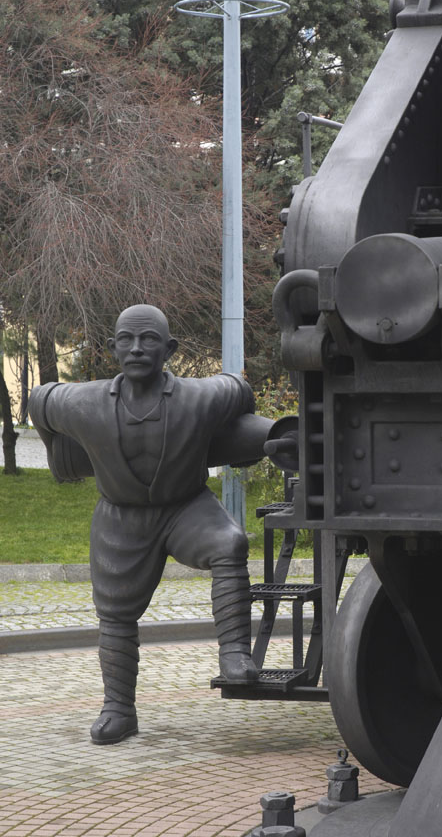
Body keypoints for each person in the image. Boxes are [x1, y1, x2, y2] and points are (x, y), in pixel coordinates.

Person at [29, 304, 278, 746]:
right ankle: (119, 710)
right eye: (126, 339)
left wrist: (247, 439)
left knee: (229, 543)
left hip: (186, 507)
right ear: (112, 348)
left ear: (170, 350)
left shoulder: (199, 396)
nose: (137, 348)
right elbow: (38, 401)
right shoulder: (82, 402)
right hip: (120, 517)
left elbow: (238, 391)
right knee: (116, 615)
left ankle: (235, 654)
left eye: (148, 340)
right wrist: (64, 455)